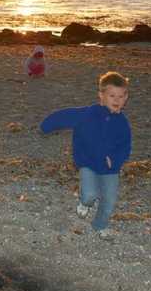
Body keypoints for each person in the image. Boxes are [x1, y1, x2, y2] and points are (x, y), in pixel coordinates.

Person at [40, 71, 132, 240]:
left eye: (121, 96)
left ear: (126, 98)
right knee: (90, 195)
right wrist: (47, 125)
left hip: (111, 169)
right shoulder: (88, 114)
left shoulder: (123, 123)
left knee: (109, 201)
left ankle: (99, 225)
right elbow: (65, 115)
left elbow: (126, 146)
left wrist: (116, 160)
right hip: (88, 162)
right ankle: (84, 202)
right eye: (112, 96)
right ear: (101, 96)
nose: (117, 100)